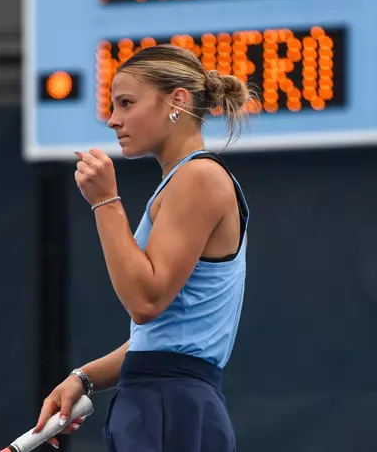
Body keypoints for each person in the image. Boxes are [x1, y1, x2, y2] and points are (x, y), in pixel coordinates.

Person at [33, 44, 253, 451]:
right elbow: (162, 341)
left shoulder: (198, 178)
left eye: (126, 103)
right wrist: (82, 378)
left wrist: (104, 201)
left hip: (169, 405)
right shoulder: (185, 182)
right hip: (163, 402)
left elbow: (146, 301)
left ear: (177, 101)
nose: (113, 120)